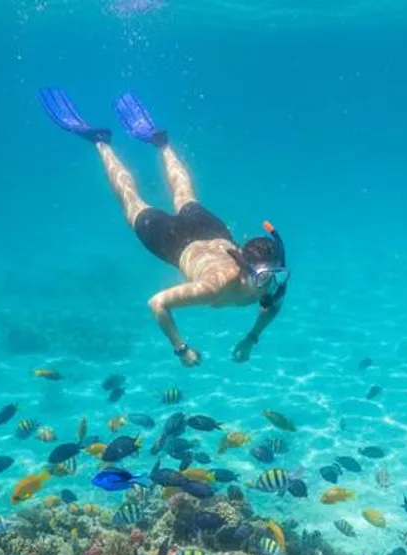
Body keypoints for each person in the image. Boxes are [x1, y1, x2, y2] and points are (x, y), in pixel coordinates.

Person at [39, 88, 289, 367]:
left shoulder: (272, 284)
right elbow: (157, 302)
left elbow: (272, 307)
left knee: (185, 194)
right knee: (132, 202)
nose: (272, 284)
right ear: (245, 268)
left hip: (214, 233)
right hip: (174, 243)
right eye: (266, 277)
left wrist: (250, 339)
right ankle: (101, 142)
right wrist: (181, 349)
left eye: (276, 274)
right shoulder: (213, 286)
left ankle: (162, 144)